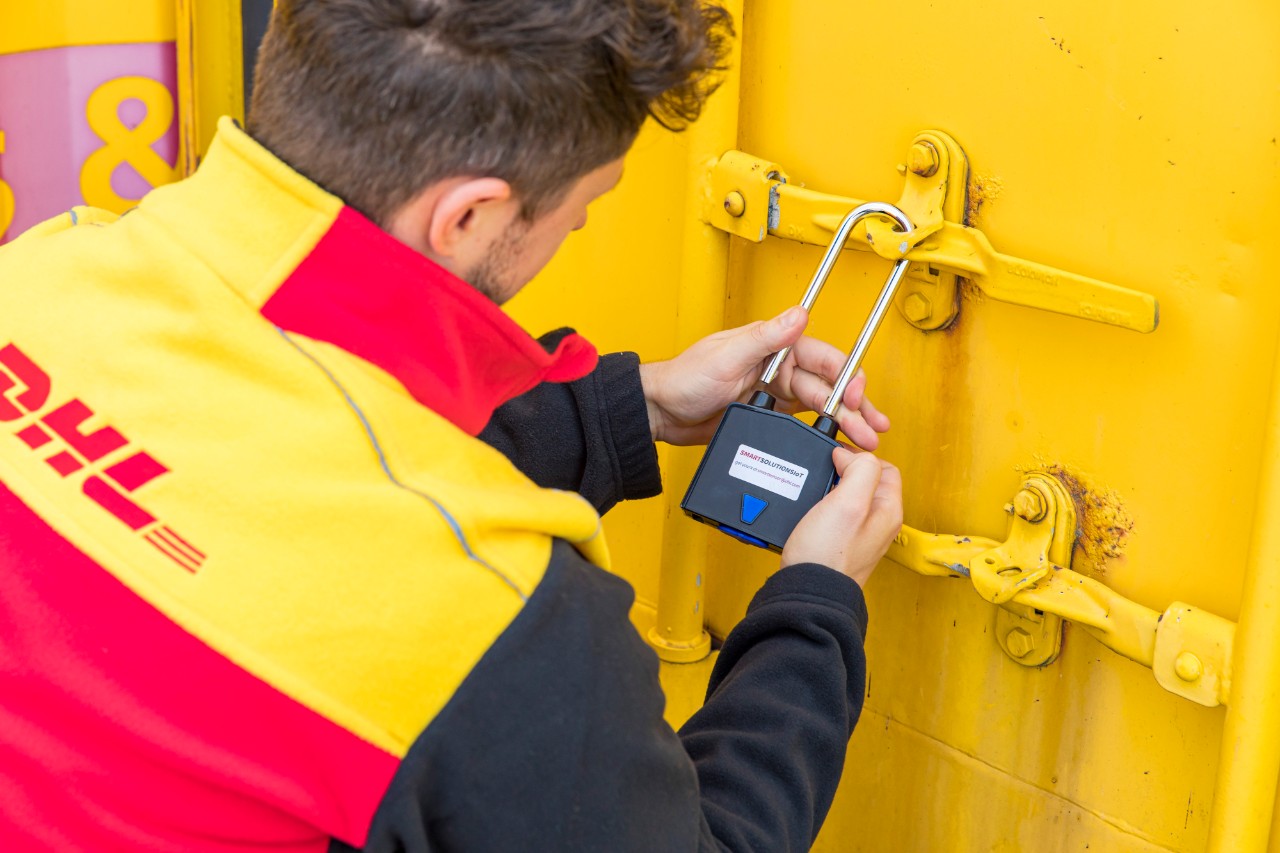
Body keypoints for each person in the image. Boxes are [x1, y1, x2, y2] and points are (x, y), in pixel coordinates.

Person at [0, 0, 903, 850]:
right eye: (582, 210)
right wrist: (816, 602)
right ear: (467, 215)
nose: (576, 226)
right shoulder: (491, 626)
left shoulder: (41, 272)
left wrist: (636, 405)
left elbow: (259, 470)